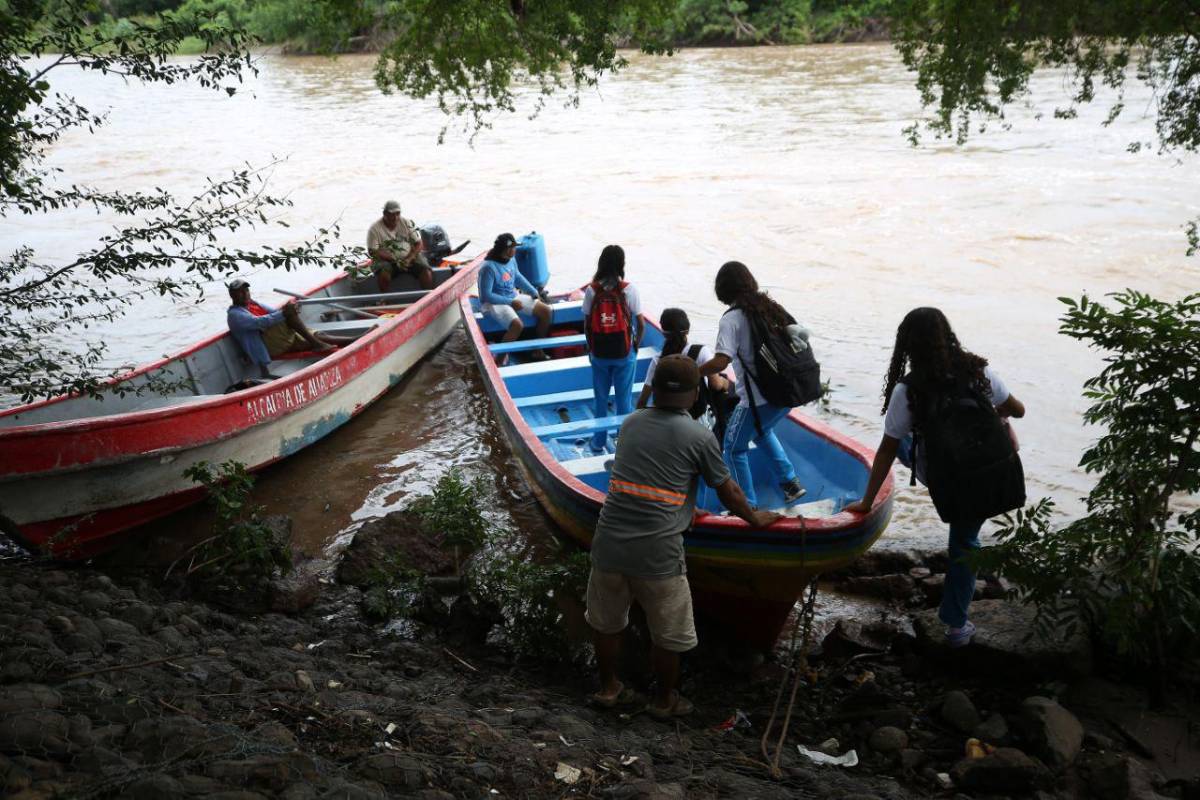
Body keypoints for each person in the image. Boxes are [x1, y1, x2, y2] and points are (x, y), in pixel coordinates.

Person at [586, 355, 781, 718]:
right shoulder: (699, 435)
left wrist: (683, 506)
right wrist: (754, 518)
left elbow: (648, 476)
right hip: (658, 552)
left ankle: (609, 688)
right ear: (695, 396)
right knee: (668, 632)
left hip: (609, 541)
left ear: (653, 389)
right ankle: (664, 701)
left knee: (606, 622)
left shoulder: (630, 423)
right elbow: (728, 492)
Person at [844, 307, 1026, 648]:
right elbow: (1019, 409)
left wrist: (867, 502)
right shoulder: (978, 371)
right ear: (947, 335)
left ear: (907, 346)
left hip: (952, 479)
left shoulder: (909, 390)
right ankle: (956, 625)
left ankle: (957, 626)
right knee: (966, 539)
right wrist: (999, 419)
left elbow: (886, 450)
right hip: (996, 468)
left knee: (903, 440)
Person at [698, 261, 806, 509]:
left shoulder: (731, 319)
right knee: (761, 432)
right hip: (786, 393)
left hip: (756, 401)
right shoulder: (769, 308)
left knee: (733, 449)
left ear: (722, 289)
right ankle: (790, 483)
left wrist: (694, 371)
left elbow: (721, 361)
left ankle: (745, 506)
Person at [226, 279, 357, 378]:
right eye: (240, 293)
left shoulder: (253, 304)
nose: (245, 294)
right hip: (269, 346)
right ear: (232, 296)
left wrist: (291, 308)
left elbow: (275, 312)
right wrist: (286, 312)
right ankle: (317, 343)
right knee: (288, 315)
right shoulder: (235, 315)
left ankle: (352, 339)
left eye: (246, 291)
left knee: (316, 334)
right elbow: (262, 322)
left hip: (279, 339)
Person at [583, 245, 643, 452]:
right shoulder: (629, 289)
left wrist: (591, 349)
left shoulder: (592, 290)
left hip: (599, 354)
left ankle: (598, 442)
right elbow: (641, 323)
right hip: (624, 354)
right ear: (622, 264)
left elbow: (586, 323)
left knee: (600, 399)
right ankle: (623, 441)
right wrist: (635, 346)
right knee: (623, 399)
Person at [477, 233, 553, 364]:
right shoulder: (488, 267)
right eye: (513, 248)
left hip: (512, 296)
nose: (515, 250)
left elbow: (517, 277)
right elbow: (486, 296)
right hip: (493, 302)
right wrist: (511, 303)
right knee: (517, 325)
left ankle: (537, 350)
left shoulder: (511, 260)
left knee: (546, 311)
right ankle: (498, 362)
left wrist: (533, 291)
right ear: (506, 250)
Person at [366, 200, 433, 292]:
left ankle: (427, 296)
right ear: (384, 213)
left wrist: (410, 258)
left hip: (409, 257)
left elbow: (418, 243)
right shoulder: (374, 228)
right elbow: (372, 251)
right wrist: (393, 259)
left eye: (398, 213)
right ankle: (384, 299)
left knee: (425, 270)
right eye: (392, 214)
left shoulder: (406, 222)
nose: (395, 217)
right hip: (387, 261)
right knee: (383, 273)